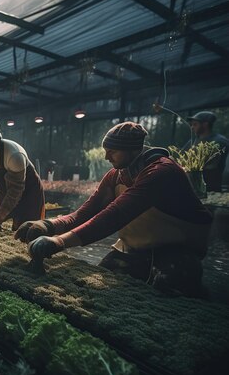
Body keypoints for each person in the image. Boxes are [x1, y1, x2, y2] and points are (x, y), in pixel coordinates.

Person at [16, 122, 213, 297]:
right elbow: (86, 212)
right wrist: (48, 225)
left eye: (113, 151)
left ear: (133, 150)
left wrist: (59, 242)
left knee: (170, 291)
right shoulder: (116, 175)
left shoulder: (161, 172)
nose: (106, 156)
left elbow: (115, 215)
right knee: (101, 279)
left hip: (176, 250)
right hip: (134, 248)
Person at [182, 111, 228, 192]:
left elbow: (210, 164)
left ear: (205, 124)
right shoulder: (193, 141)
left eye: (195, 124)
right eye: (191, 125)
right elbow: (181, 156)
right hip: (192, 187)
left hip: (211, 188)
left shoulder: (220, 141)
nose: (192, 127)